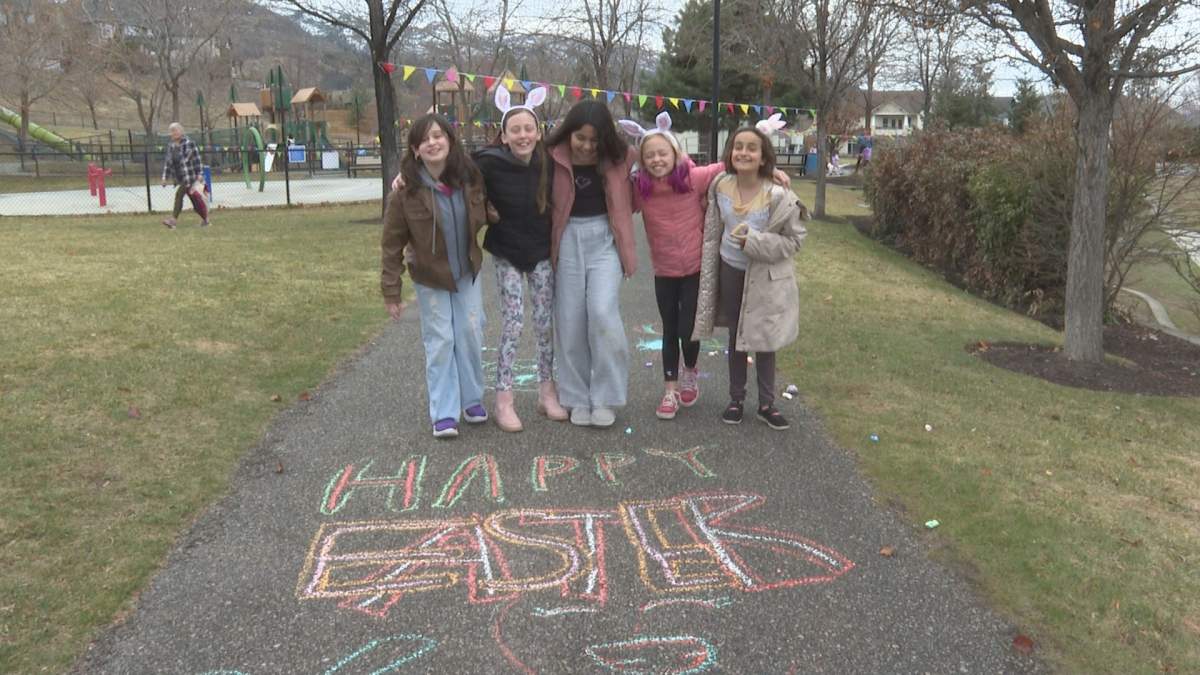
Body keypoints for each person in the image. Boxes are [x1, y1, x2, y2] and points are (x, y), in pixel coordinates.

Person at [618, 111, 793, 421]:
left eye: (663, 153)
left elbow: (729, 165)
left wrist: (771, 171)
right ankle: (670, 389)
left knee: (689, 328)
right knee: (670, 329)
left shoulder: (692, 177)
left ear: (675, 153)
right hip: (664, 270)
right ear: (642, 161)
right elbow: (617, 202)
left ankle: (690, 371)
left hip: (696, 269)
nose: (657, 160)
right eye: (650, 156)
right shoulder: (641, 189)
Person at [693, 117, 809, 431]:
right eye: (739, 147)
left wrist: (754, 242)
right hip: (731, 270)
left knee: (765, 339)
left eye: (752, 148)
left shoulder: (778, 193)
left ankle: (767, 404)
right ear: (730, 152)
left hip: (766, 276)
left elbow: (795, 240)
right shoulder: (720, 185)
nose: (744, 153)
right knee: (736, 336)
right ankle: (736, 399)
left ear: (763, 155)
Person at [381, 114, 490, 439]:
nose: (432, 143)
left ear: (450, 140)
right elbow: (391, 244)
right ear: (415, 149)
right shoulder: (405, 192)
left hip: (466, 272)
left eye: (438, 135)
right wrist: (391, 290)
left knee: (470, 333)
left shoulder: (469, 178)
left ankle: (472, 400)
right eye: (424, 139)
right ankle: (444, 411)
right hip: (430, 278)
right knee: (441, 341)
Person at [473, 86, 568, 431]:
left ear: (538, 132)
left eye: (529, 128)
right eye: (515, 129)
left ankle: (547, 393)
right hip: (507, 252)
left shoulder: (549, 162)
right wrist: (404, 176)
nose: (523, 135)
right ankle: (504, 399)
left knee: (545, 324)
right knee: (513, 323)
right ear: (504, 134)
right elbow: (457, 178)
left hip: (541, 252)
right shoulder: (488, 161)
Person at [545, 100, 637, 428]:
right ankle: (575, 396)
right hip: (567, 239)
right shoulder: (551, 156)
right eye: (580, 138)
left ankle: (607, 396)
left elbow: (665, 165)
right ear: (569, 133)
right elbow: (506, 158)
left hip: (605, 241)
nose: (586, 146)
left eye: (594, 140)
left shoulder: (622, 158)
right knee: (569, 319)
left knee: (602, 312)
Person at [160, 122, 209, 228]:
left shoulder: (190, 143)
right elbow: (167, 164)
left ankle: (173, 221)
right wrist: (164, 178)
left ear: (181, 131)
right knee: (195, 202)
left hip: (190, 177)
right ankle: (205, 220)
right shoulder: (171, 146)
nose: (174, 133)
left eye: (176, 130)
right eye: (172, 131)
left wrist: (200, 173)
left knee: (179, 195)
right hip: (180, 178)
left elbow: (197, 160)